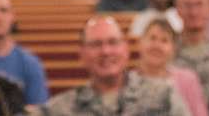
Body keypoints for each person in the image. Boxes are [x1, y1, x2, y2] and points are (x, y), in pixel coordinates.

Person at [40, 15, 189, 116]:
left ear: (125, 49)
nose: (105, 51)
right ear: (82, 54)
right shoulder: (61, 109)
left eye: (113, 42)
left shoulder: (162, 96)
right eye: (96, 44)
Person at [136, 19, 208, 116]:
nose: (157, 46)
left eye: (164, 40)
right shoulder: (127, 81)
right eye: (152, 38)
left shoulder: (188, 79)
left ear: (173, 49)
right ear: (140, 43)